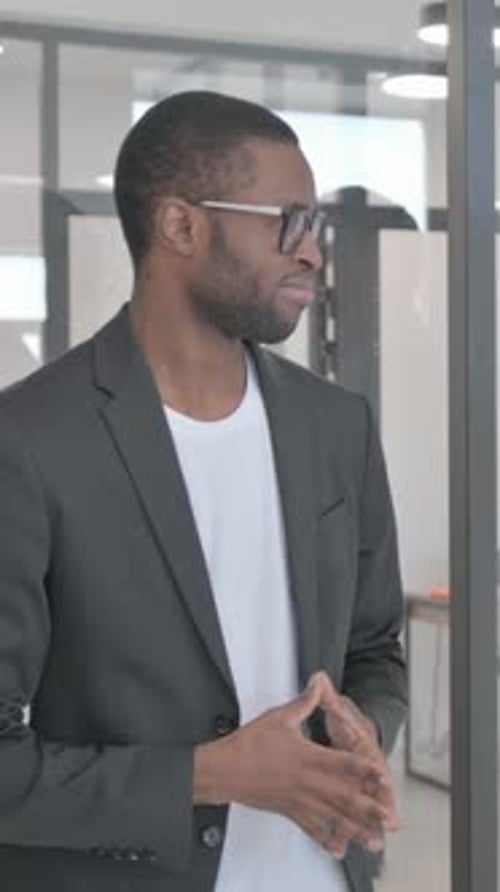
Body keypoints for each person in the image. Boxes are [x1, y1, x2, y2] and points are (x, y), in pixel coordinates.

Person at [0, 91, 407, 892]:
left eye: (313, 225)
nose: (313, 254)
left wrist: (365, 729)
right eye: (287, 222)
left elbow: (375, 653)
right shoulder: (28, 442)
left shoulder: (337, 428)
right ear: (181, 227)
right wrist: (207, 774)